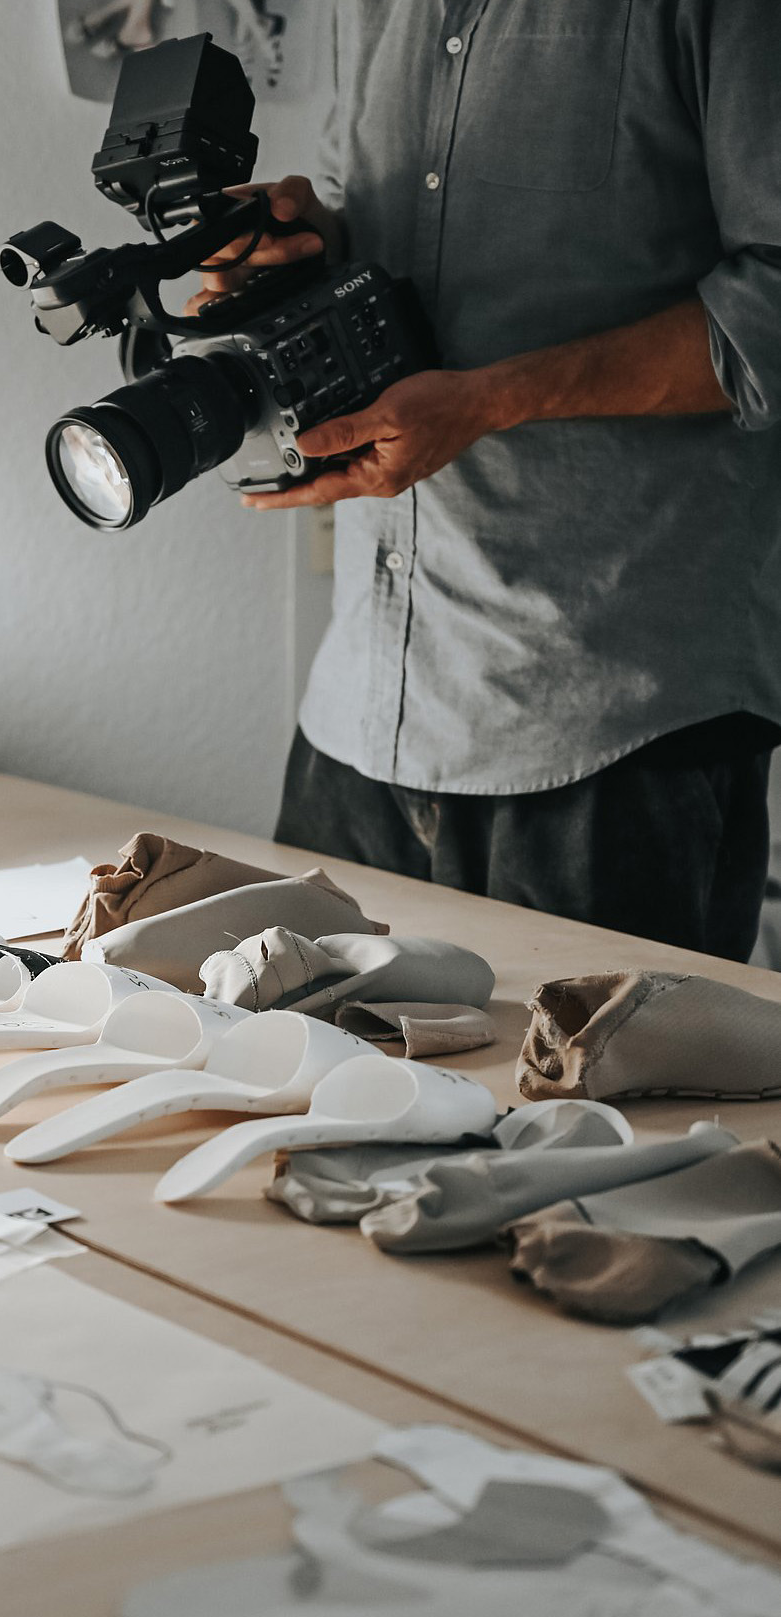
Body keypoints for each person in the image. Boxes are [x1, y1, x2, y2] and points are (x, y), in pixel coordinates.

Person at [189, 1, 781, 961]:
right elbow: (368, 221)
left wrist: (493, 399)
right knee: (288, 1061)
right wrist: (294, 245)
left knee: (594, 1074)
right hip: (360, 718)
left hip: (615, 727)